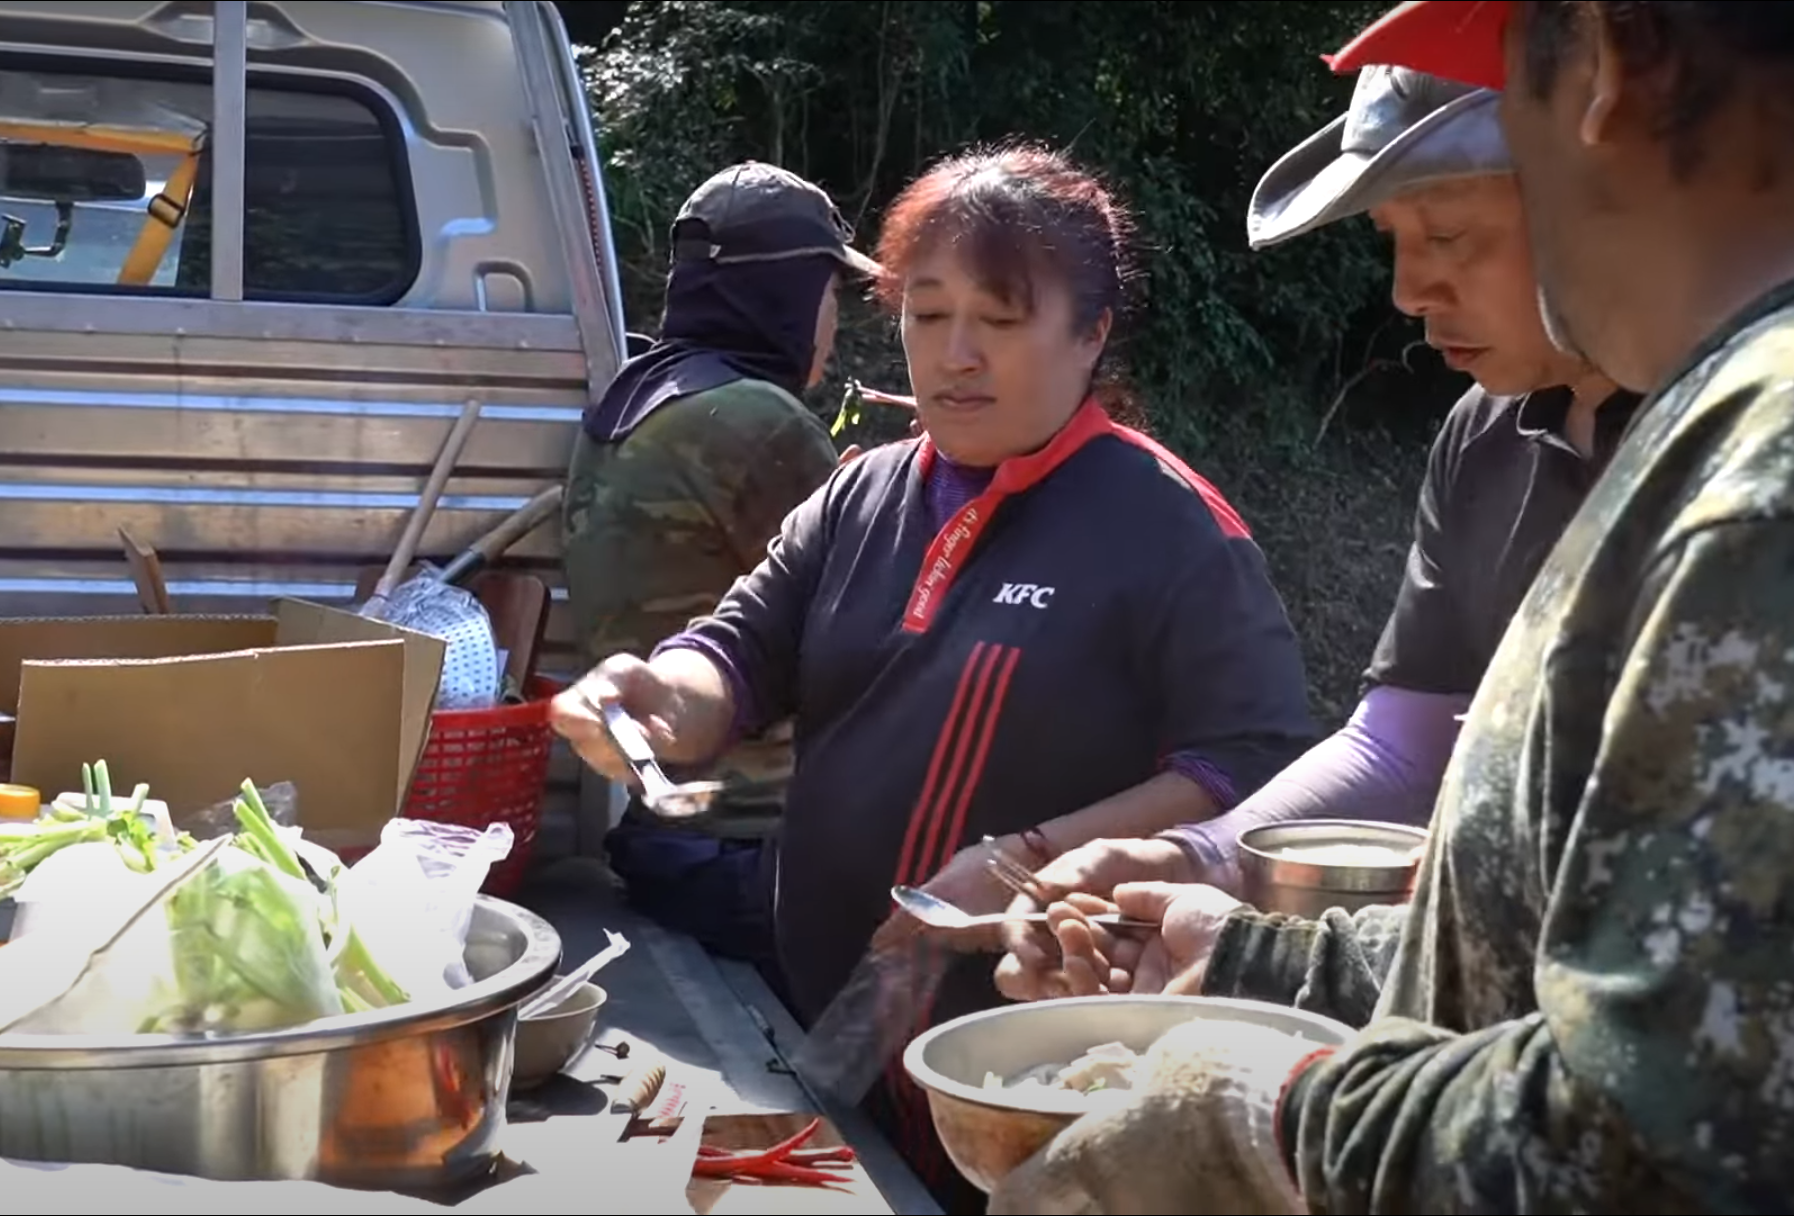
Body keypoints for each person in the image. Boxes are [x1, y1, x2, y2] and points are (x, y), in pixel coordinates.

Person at [991, 1, 1794, 1212]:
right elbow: (1641, 974)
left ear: (1601, 61)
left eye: (1512, 93)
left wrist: (1254, 1121)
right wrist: (1253, 957)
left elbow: (1684, 1151)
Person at [550, 143, 1318, 1212]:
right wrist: (652, 692)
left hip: (1033, 1060)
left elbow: (1254, 764)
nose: (954, 354)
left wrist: (1027, 859)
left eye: (1000, 321)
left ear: (1091, 332)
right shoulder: (858, 494)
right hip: (825, 1014)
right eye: (925, 312)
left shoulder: (1169, 527)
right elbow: (736, 653)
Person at [996, 64, 1638, 1001]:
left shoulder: (1742, 439)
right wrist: (1204, 858)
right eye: (1397, 242)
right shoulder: (1483, 435)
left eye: (1450, 236)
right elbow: (1403, 743)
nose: (1411, 290)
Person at [560, 161, 871, 984]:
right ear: (791, 293)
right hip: (755, 847)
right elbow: (887, 617)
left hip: (665, 835)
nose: (833, 325)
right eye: (831, 294)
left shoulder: (635, 394)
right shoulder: (757, 421)